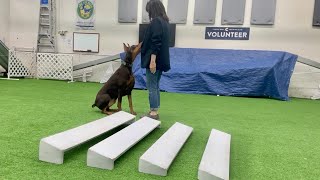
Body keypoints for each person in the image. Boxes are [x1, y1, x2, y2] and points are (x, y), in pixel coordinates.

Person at [141, 0, 170, 120]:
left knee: (152, 86)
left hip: (154, 60)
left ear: (153, 9)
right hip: (162, 59)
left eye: (149, 11)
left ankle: (153, 113)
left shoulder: (156, 22)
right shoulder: (165, 22)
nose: (149, 14)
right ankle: (154, 110)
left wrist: (152, 61)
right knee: (156, 85)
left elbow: (156, 42)